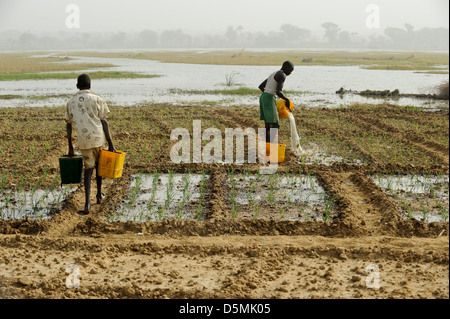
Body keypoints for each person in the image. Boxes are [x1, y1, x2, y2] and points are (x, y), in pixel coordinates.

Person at [65, 74, 115, 214]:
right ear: (90, 85)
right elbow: (104, 121)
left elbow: (68, 125)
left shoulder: (71, 102)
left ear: (77, 86)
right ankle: (99, 195)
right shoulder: (97, 99)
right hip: (98, 138)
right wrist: (111, 143)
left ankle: (87, 204)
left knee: (88, 171)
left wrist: (70, 146)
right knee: (99, 167)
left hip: (84, 141)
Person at [258, 61, 294, 146]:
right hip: (269, 98)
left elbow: (261, 86)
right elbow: (279, 91)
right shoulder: (282, 75)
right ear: (286, 68)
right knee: (275, 125)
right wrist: (286, 99)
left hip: (263, 97)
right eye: (290, 70)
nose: (290, 73)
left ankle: (267, 146)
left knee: (268, 124)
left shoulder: (274, 73)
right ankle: (271, 145)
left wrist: (268, 94)